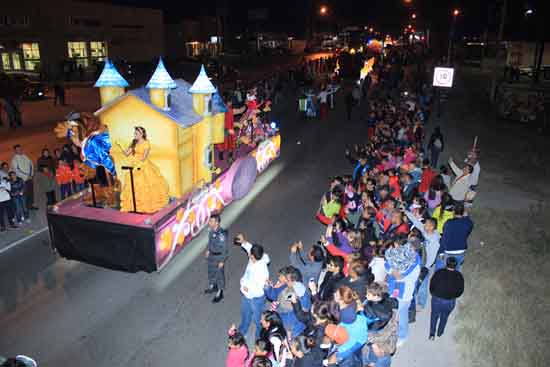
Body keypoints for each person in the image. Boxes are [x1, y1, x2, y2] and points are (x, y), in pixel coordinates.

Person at [117, 126, 169, 213]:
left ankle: (146, 204)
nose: (135, 135)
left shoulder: (146, 143)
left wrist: (138, 166)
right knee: (133, 185)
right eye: (135, 133)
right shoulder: (134, 142)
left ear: (142, 134)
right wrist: (120, 145)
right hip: (133, 165)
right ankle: (134, 205)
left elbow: (144, 158)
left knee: (144, 185)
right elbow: (126, 153)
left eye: (136, 133)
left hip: (142, 166)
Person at [235, 233, 270, 339]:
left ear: (253, 256)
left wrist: (247, 289)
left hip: (255, 298)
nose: (248, 255)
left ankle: (260, 337)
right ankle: (242, 331)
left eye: (250, 254)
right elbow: (250, 248)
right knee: (245, 313)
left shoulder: (262, 271)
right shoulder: (259, 256)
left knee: (258, 318)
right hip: (248, 296)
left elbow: (261, 290)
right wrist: (243, 241)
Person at [429, 256, 464, 339]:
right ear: (456, 266)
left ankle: (432, 334)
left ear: (446, 263)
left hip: (437, 299)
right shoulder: (459, 276)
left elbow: (432, 285)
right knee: (444, 317)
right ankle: (440, 332)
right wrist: (454, 296)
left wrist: (433, 293)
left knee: (434, 315)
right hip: (450, 301)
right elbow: (460, 291)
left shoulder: (439, 273)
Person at [437, 203, 473, 272]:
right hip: (461, 250)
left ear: (453, 212)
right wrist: (466, 217)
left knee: (439, 269)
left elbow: (444, 239)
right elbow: (468, 230)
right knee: (456, 269)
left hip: (448, 251)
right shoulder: (468, 223)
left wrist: (441, 252)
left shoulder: (449, 223)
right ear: (463, 212)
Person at [204, 214, 228, 303]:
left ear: (217, 223)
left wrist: (222, 261)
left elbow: (225, 249)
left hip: (218, 257)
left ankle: (220, 292)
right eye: (210, 221)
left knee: (219, 275)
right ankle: (213, 286)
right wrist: (208, 250)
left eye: (211, 221)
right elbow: (210, 242)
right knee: (211, 271)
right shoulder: (211, 231)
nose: (209, 222)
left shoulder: (221, 235)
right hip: (211, 255)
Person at [10, 145, 36, 211]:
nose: (19, 150)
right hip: (23, 180)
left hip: (29, 178)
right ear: (15, 151)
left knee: (31, 192)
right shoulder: (14, 159)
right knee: (25, 194)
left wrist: (31, 174)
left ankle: (31, 205)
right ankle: (26, 208)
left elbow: (31, 164)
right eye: (17, 149)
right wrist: (26, 176)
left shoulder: (25, 156)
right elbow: (17, 170)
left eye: (20, 149)